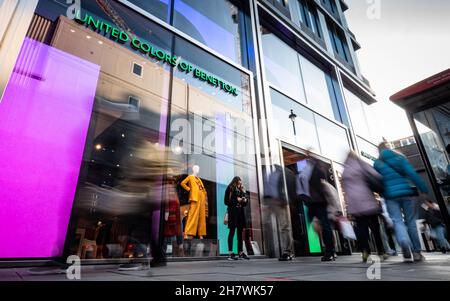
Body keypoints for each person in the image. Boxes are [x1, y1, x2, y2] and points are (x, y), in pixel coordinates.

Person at [374, 142, 429, 262]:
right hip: (407, 193)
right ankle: (417, 253)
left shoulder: (377, 163)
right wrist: (423, 188)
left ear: (379, 151)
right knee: (411, 222)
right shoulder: (400, 158)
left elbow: (377, 180)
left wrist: (381, 193)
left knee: (397, 221)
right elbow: (412, 173)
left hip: (390, 196)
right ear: (389, 147)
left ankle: (404, 241)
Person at [342, 151, 387, 263]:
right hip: (367, 202)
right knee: (375, 229)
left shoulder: (345, 171)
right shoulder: (361, 164)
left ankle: (365, 252)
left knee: (362, 230)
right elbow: (376, 175)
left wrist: (349, 208)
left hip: (355, 206)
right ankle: (381, 252)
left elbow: (345, 191)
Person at [304, 156, 336, 262]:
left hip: (320, 202)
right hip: (312, 202)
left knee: (325, 226)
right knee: (316, 225)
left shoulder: (318, 168)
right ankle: (329, 249)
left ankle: (330, 251)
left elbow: (323, 180)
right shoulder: (306, 170)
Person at [263, 165, 295, 261]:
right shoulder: (268, 174)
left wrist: (286, 200)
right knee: (266, 223)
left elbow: (288, 188)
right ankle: (275, 250)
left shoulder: (284, 174)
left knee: (284, 227)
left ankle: (287, 251)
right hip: (270, 202)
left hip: (280, 201)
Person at [224, 176, 250, 260]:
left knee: (240, 233)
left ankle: (240, 252)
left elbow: (245, 202)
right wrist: (236, 200)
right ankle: (230, 253)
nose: (240, 184)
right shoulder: (230, 188)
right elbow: (226, 201)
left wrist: (244, 200)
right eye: (238, 183)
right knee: (232, 231)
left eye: (240, 183)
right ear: (235, 182)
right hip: (233, 213)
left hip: (240, 213)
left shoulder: (241, 190)